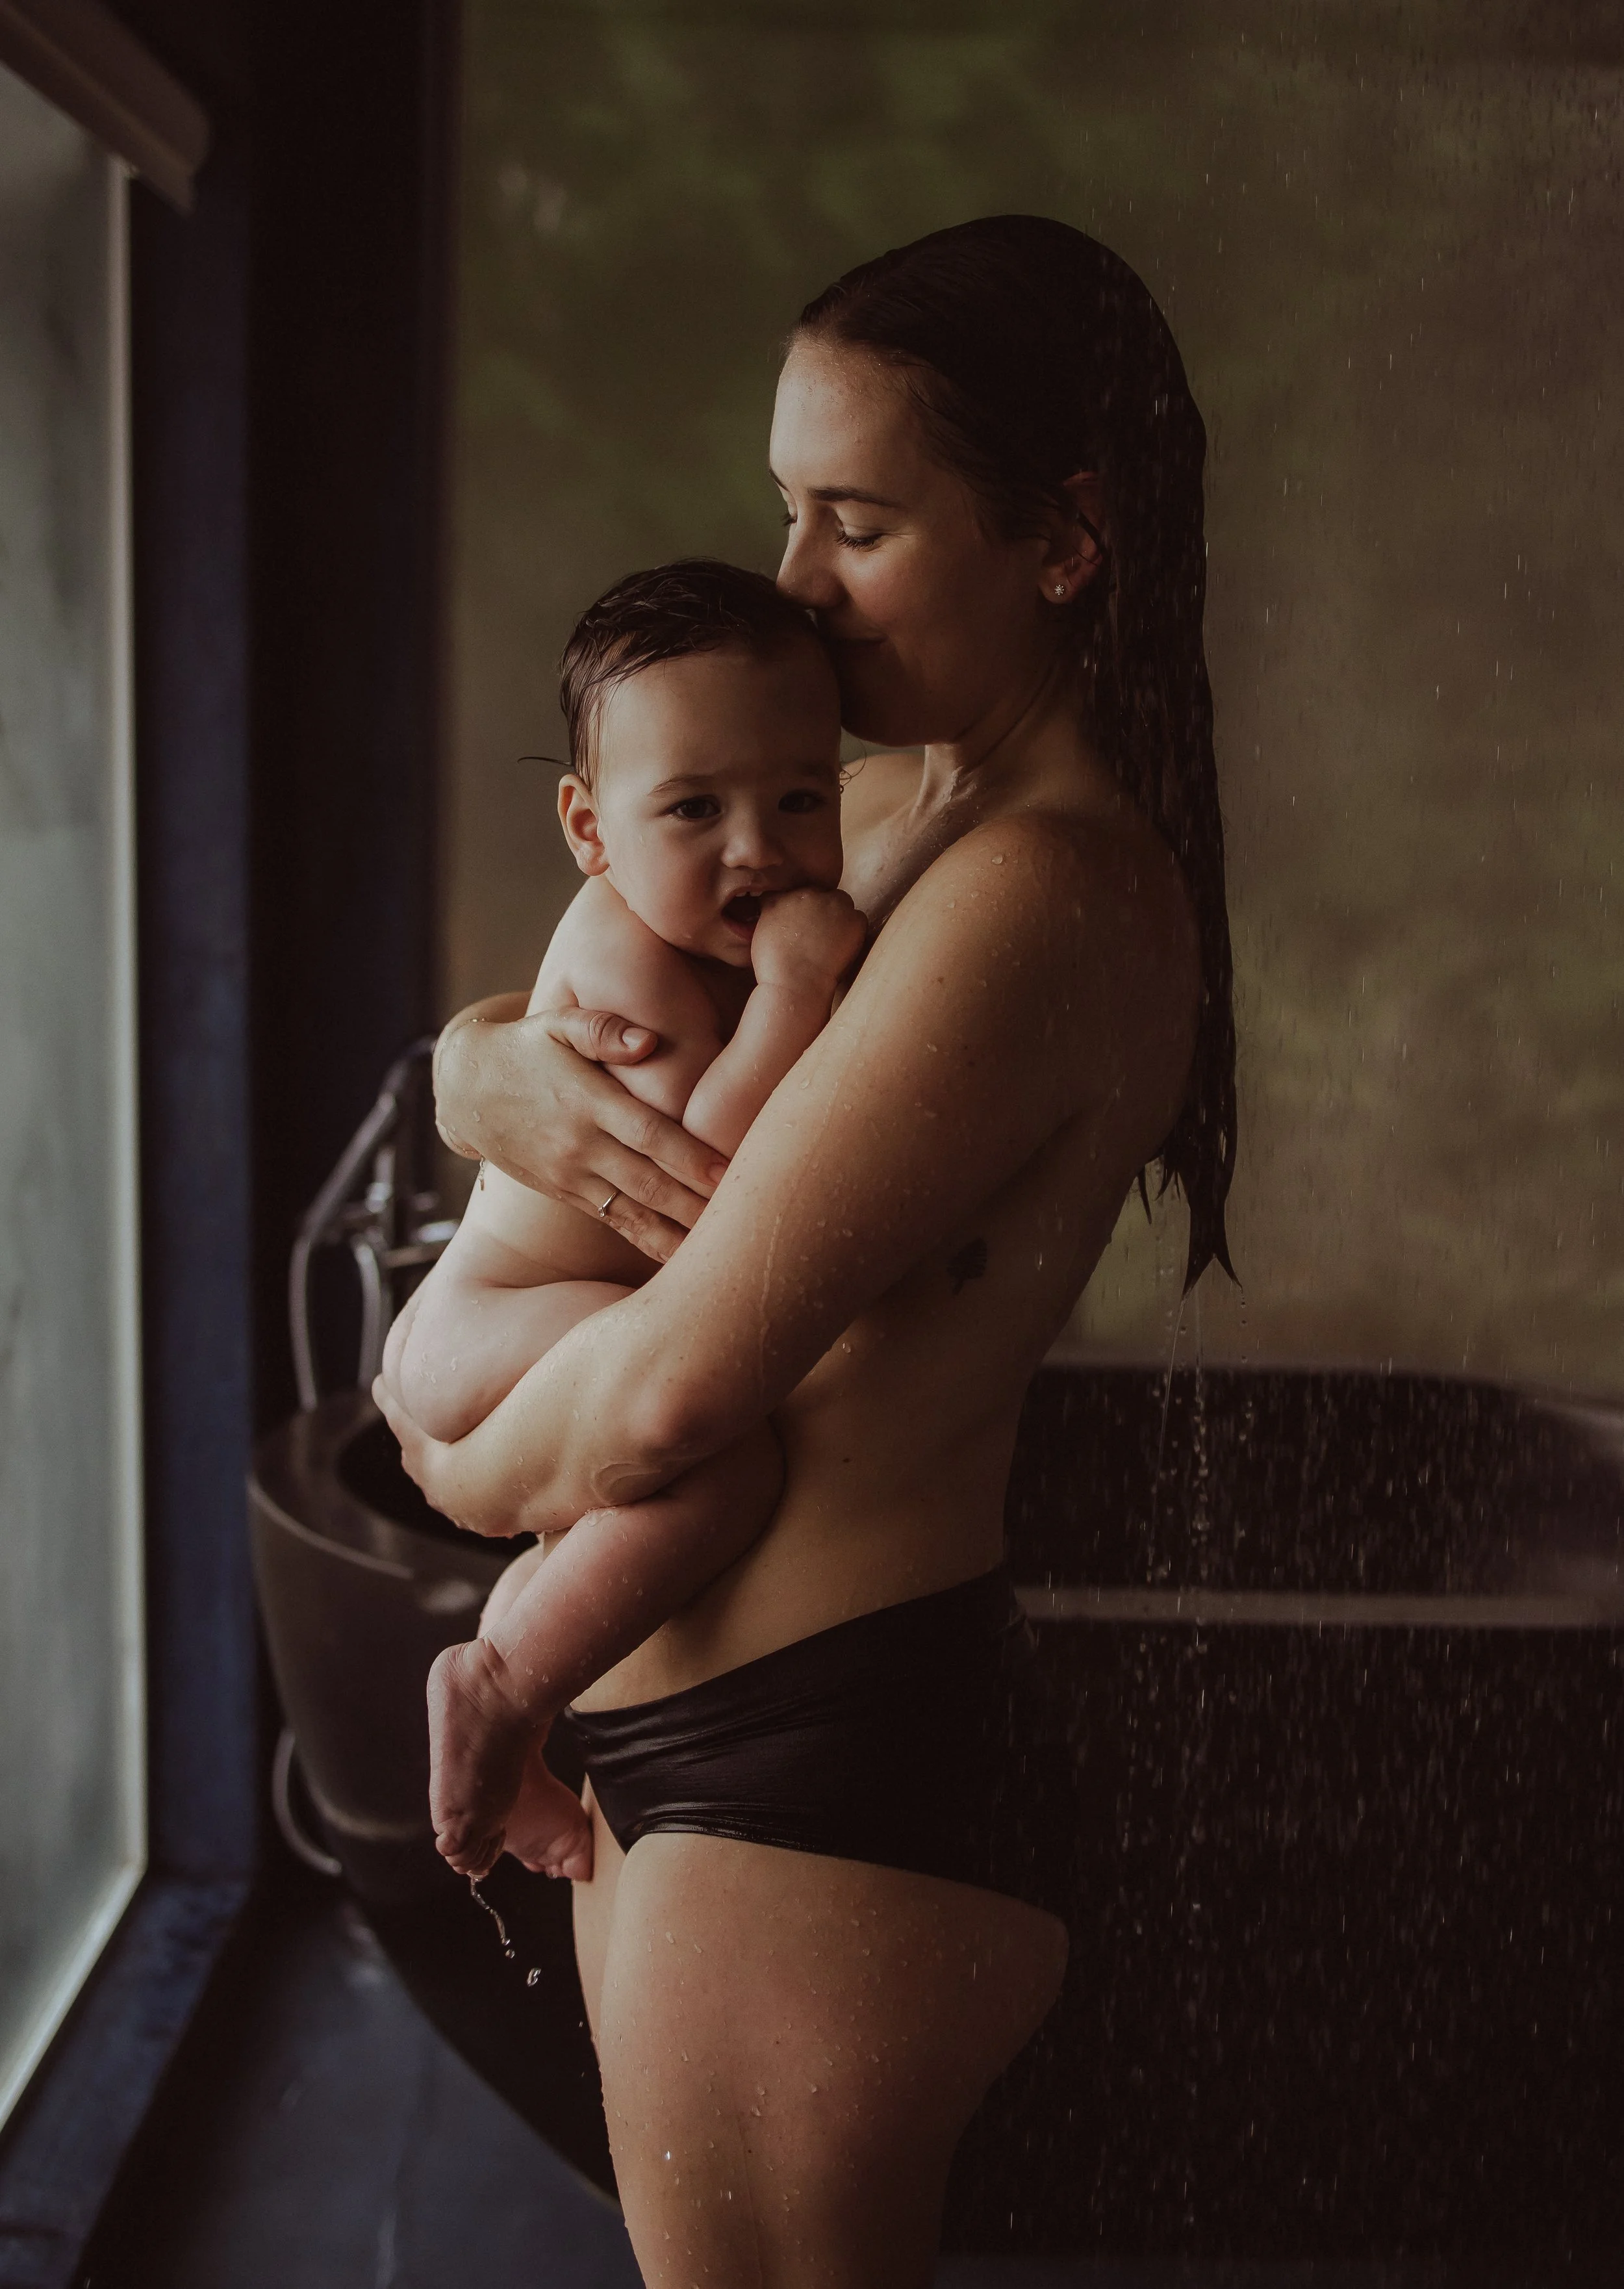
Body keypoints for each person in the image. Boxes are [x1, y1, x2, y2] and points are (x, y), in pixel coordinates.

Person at [375, 214, 1236, 2288]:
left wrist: (435, 1434)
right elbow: (601, 995)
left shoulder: (1036, 890)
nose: (795, 583)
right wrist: (479, 1072)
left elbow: (675, 1391)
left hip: (815, 1773)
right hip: (719, 1752)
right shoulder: (869, 821)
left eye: (855, 521)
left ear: (1063, 539)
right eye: (787, 510)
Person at [383, 561, 863, 1882]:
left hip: (521, 1321)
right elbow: (707, 1173)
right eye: (696, 808)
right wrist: (797, 994)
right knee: (729, 1472)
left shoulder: (694, 926)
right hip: (488, 1322)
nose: (757, 847)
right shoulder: (626, 957)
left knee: (609, 1520)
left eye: (799, 799)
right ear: (591, 831)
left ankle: (512, 1723)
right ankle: (501, 1684)